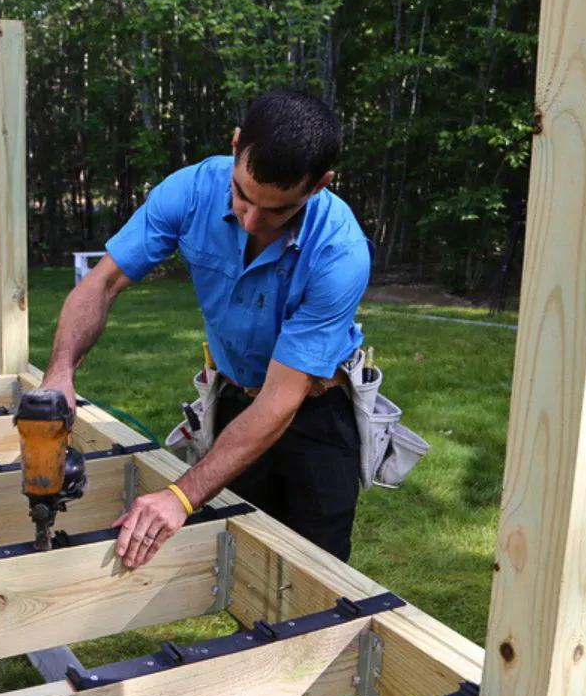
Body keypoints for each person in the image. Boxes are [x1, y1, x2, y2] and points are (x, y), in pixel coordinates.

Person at [40, 88, 373, 569]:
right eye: (241, 194)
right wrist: (59, 373)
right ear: (236, 145)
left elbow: (282, 399)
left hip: (316, 415)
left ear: (320, 183)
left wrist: (180, 494)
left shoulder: (339, 252)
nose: (251, 219)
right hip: (236, 399)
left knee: (314, 573)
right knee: (239, 564)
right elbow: (103, 282)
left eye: (277, 211)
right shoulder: (189, 191)